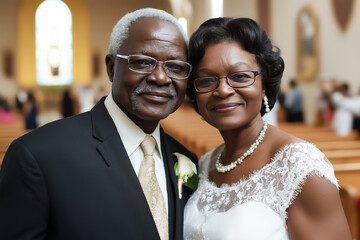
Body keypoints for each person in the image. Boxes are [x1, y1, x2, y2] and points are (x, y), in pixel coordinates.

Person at [0, 8, 197, 240]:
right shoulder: (38, 156)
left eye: (175, 67)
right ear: (111, 67)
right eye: (143, 62)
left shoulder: (186, 159)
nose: (161, 78)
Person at [184, 17, 351, 239]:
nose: (222, 90)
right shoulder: (205, 164)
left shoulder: (299, 166)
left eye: (240, 76)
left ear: (265, 85)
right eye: (206, 80)